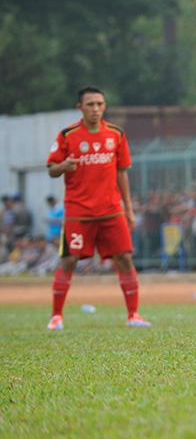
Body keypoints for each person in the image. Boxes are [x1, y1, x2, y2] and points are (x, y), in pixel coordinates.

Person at [44, 86, 150, 330]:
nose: (96, 109)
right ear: (79, 107)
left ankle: (133, 314)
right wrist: (64, 166)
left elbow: (122, 172)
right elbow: (51, 169)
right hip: (79, 212)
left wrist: (129, 209)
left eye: (100, 104)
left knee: (124, 258)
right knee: (69, 260)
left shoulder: (116, 134)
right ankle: (56, 316)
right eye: (90, 104)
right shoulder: (67, 135)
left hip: (111, 210)